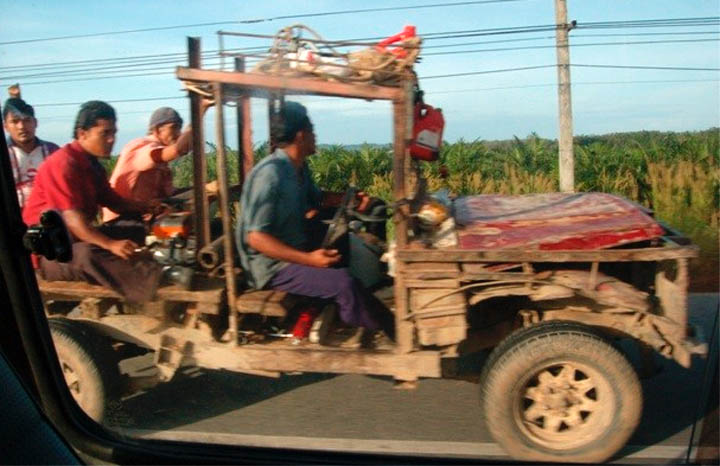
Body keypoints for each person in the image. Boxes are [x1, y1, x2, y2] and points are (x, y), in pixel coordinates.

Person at [236, 101, 394, 343]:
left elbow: (318, 200)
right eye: (312, 131)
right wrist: (309, 260)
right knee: (344, 283)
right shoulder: (270, 175)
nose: (315, 136)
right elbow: (255, 238)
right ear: (301, 135)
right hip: (270, 266)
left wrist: (351, 199)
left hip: (294, 243)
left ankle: (348, 300)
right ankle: (386, 331)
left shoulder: (297, 168)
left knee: (343, 244)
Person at [23, 101, 162, 303]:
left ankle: (153, 260)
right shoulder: (62, 165)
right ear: (82, 134)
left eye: (113, 133)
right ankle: (155, 286)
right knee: (87, 254)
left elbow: (115, 203)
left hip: (76, 238)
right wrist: (111, 244)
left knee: (133, 223)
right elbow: (73, 221)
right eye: (105, 133)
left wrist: (147, 207)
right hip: (50, 254)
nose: (112, 140)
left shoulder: (92, 165)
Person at [103, 104, 209, 222]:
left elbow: (170, 195)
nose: (178, 133)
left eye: (179, 128)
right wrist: (201, 109)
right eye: (174, 128)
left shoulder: (161, 162)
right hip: (122, 220)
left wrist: (205, 188)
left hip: (144, 217)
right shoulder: (143, 147)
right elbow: (178, 149)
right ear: (158, 130)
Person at [3, 92, 59, 209]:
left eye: (27, 120)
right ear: (6, 126)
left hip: (51, 220)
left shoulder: (53, 152)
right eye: (15, 121)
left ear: (35, 122)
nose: (21, 126)